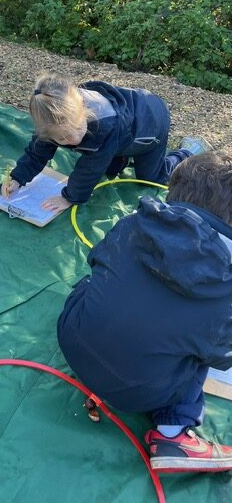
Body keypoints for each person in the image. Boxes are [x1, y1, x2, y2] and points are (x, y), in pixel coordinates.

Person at [57, 152, 232, 472]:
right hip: (137, 391)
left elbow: (96, 262)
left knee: (98, 286)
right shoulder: (226, 283)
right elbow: (221, 357)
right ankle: (171, 433)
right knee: (197, 358)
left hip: (72, 338)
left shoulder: (135, 221)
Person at [1, 74, 210, 210]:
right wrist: (19, 178)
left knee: (153, 176)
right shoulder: (53, 116)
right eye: (62, 138)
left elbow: (89, 170)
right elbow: (37, 152)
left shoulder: (104, 124)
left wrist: (69, 197)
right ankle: (120, 156)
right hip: (123, 129)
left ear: (84, 111)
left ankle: (187, 151)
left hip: (150, 124)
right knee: (109, 166)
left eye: (77, 129)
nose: (73, 139)